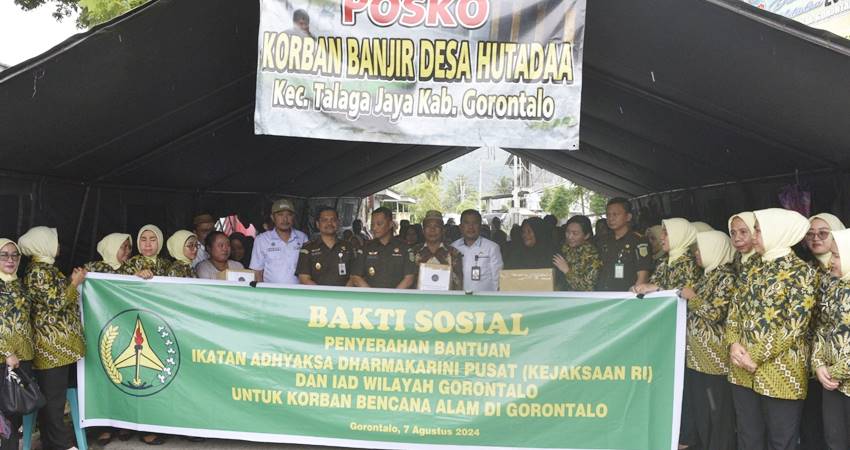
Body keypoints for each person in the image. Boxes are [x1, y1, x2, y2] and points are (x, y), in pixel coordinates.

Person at [725, 208, 815, 450]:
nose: (753, 236)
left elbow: (794, 326)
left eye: (757, 230)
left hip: (782, 371)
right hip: (742, 370)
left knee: (781, 441)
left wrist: (753, 356)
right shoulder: (752, 265)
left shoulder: (802, 272)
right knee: (748, 436)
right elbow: (734, 310)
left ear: (778, 232)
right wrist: (733, 344)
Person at [18, 226, 86, 450]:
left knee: (55, 399)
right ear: (43, 243)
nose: (59, 245)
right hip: (50, 348)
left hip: (58, 348)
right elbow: (56, 303)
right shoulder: (38, 271)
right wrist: (74, 283)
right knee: (54, 401)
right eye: (54, 240)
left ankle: (52, 442)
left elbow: (53, 296)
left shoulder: (46, 269)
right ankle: (59, 445)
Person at [679, 231, 737, 450]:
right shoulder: (707, 275)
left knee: (717, 414)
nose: (695, 253)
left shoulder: (727, 278)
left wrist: (693, 298)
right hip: (696, 358)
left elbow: (716, 314)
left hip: (714, 361)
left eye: (701, 248)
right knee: (702, 411)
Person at [802, 212, 844, 450]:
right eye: (810, 234)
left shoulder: (843, 272)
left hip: (839, 366)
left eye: (823, 233)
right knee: (814, 423)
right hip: (809, 360)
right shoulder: (804, 270)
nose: (815, 238)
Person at [812, 228, 850, 449]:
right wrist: (818, 365)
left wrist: (832, 372)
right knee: (835, 442)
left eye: (836, 255)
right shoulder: (834, 286)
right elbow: (821, 328)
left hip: (836, 377)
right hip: (832, 384)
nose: (830, 262)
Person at [0, 238, 35, 450]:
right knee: (5, 412)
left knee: (15, 410)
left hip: (24, 357)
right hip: (5, 358)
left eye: (14, 255)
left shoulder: (19, 284)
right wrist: (6, 352)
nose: (10, 259)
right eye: (4, 254)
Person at [595, 198, 652, 291]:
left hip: (625, 297)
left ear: (628, 217)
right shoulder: (603, 240)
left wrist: (634, 295)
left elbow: (643, 276)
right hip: (603, 295)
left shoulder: (639, 241)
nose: (611, 218)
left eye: (615, 214)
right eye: (608, 215)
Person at [350, 207, 416, 289]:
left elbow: (409, 279)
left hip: (397, 299)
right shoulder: (366, 248)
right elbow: (356, 276)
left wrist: (392, 297)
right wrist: (374, 296)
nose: (374, 228)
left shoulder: (404, 248)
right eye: (372, 224)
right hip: (372, 299)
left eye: (379, 224)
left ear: (390, 224)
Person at [634, 218, 702, 294]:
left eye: (666, 234)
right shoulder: (664, 260)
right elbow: (652, 284)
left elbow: (684, 295)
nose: (661, 237)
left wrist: (657, 289)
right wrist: (639, 288)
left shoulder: (690, 264)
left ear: (678, 236)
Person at [296, 207, 359, 286]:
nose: (329, 223)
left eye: (333, 220)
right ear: (318, 224)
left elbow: (355, 276)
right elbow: (304, 279)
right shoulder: (308, 248)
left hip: (344, 296)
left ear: (338, 223)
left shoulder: (348, 246)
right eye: (325, 220)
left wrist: (343, 294)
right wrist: (324, 296)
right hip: (318, 296)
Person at [250, 199, 308, 284]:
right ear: (273, 217)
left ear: (294, 217)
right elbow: (257, 272)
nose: (285, 219)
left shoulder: (302, 238)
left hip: (298, 293)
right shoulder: (262, 240)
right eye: (280, 215)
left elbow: (309, 270)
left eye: (289, 215)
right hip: (272, 294)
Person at [451, 209, 503, 292]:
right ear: (460, 227)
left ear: (480, 226)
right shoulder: (453, 247)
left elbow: (498, 279)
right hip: (459, 299)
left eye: (475, 223)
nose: (471, 227)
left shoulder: (492, 247)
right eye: (467, 223)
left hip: (484, 300)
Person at [413, 211, 464, 290]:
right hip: (419, 300)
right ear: (423, 231)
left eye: (436, 226)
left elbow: (458, 283)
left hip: (446, 299)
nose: (432, 230)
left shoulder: (453, 253)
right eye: (428, 226)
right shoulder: (413, 252)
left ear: (443, 230)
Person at [553, 215, 601, 291]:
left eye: (575, 233)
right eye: (568, 232)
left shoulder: (592, 255)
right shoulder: (563, 248)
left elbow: (588, 287)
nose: (570, 237)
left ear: (586, 236)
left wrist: (567, 271)